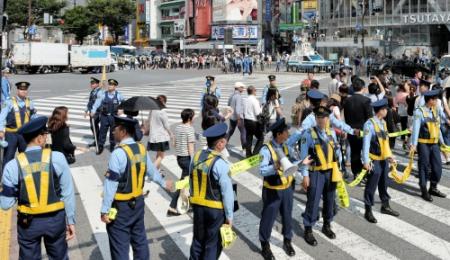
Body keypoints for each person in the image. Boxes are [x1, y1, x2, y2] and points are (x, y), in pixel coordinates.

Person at [0, 116, 76, 259]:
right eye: (45, 135)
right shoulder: (58, 158)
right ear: (39, 139)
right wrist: (70, 221)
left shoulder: (12, 166)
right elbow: (68, 193)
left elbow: (5, 204)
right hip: (55, 220)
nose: (46, 138)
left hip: (28, 223)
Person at [100, 116, 173, 259]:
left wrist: (105, 209)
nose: (113, 132)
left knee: (119, 244)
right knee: (139, 240)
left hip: (121, 206)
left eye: (115, 129)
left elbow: (111, 184)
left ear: (123, 131)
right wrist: (164, 184)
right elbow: (152, 171)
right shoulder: (141, 148)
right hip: (138, 202)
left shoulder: (118, 153)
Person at [189, 123, 234, 260]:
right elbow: (227, 193)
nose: (225, 143)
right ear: (219, 144)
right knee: (212, 245)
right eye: (224, 141)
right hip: (215, 210)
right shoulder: (221, 164)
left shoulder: (196, 157)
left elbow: (191, 180)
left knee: (198, 240)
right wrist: (229, 216)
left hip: (198, 207)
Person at [299, 106, 341, 246]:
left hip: (330, 171)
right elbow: (304, 156)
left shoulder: (331, 133)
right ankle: (308, 228)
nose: (321, 120)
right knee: (313, 200)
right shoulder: (308, 134)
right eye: (318, 117)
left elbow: (336, 149)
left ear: (328, 118)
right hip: (316, 172)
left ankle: (327, 224)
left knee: (330, 199)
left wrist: (338, 166)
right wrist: (305, 176)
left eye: (323, 117)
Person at [258, 118, 297, 259]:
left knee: (287, 216)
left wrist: (301, 162)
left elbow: (293, 162)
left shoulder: (286, 147)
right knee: (268, 218)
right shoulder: (266, 149)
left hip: (287, 188)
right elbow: (261, 170)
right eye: (286, 131)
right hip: (272, 190)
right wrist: (275, 166)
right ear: (279, 134)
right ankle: (265, 245)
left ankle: (287, 240)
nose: (288, 133)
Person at [362, 99, 400, 223]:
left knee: (384, 183)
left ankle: (385, 205)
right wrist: (366, 161)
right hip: (374, 160)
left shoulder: (383, 123)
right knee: (371, 185)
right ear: (381, 111)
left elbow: (385, 143)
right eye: (385, 110)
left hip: (384, 159)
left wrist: (390, 156)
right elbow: (366, 144)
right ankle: (368, 210)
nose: (387, 112)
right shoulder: (369, 124)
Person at [410, 89, 447, 201]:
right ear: (430, 100)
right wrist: (413, 144)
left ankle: (433, 187)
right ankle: (424, 189)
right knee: (424, 166)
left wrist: (442, 143)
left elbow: (438, 128)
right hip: (423, 144)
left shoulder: (437, 110)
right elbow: (415, 129)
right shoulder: (419, 112)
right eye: (435, 99)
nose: (437, 101)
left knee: (438, 168)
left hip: (434, 144)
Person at [0, 81, 37, 169]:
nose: (23, 91)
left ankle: (25, 178)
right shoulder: (9, 102)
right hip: (11, 134)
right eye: (21, 89)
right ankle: (5, 179)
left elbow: (33, 117)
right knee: (8, 157)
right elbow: (1, 118)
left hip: (24, 134)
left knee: (25, 157)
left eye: (25, 90)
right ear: (17, 90)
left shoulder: (30, 102)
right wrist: (1, 131)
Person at [342, 78, 373, 180]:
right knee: (366, 151)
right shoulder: (366, 100)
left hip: (351, 130)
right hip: (364, 131)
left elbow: (346, 116)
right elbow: (369, 118)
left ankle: (356, 172)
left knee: (354, 152)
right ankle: (365, 172)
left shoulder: (347, 100)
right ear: (363, 88)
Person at [168, 109, 196, 216]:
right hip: (187, 159)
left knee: (188, 181)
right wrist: (193, 161)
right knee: (183, 183)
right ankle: (173, 206)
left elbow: (174, 143)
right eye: (193, 116)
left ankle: (192, 203)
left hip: (180, 158)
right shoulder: (189, 129)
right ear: (189, 118)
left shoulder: (177, 127)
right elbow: (190, 147)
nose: (194, 118)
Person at [90, 79, 125, 154]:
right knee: (102, 132)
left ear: (115, 86)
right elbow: (97, 103)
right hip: (104, 116)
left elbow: (124, 102)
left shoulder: (119, 95)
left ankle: (112, 145)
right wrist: (93, 111)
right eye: (109, 84)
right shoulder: (103, 94)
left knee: (113, 132)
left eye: (112, 85)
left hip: (114, 117)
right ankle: (100, 146)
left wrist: (122, 110)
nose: (109, 86)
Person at [147, 95, 173, 169]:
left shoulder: (152, 110)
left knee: (158, 155)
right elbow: (166, 125)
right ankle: (152, 170)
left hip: (153, 136)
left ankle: (157, 171)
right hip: (161, 137)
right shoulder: (162, 111)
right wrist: (171, 134)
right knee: (161, 156)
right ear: (163, 102)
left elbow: (148, 121)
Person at [243, 86, 264, 157]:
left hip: (246, 120)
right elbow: (258, 113)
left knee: (249, 137)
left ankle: (248, 154)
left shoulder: (245, 100)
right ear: (253, 91)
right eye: (255, 90)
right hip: (253, 121)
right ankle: (255, 153)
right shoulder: (255, 100)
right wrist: (261, 108)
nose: (256, 91)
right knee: (261, 138)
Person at [227, 82, 246, 152]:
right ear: (238, 88)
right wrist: (238, 119)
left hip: (232, 117)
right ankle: (244, 148)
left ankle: (224, 143)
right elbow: (238, 109)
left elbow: (228, 105)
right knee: (243, 132)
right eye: (242, 87)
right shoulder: (239, 96)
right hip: (239, 118)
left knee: (230, 131)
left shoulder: (231, 95)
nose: (243, 89)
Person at [85, 77, 103, 148]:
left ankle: (98, 141)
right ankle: (96, 140)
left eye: (93, 83)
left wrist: (93, 111)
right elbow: (90, 102)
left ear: (97, 84)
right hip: (92, 111)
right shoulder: (92, 91)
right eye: (91, 83)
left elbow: (98, 103)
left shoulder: (100, 92)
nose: (91, 85)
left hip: (97, 112)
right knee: (93, 126)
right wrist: (86, 110)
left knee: (95, 126)